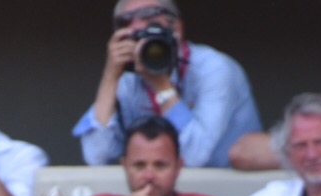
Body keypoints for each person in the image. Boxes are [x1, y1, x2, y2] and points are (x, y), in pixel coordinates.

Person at [75, 1, 260, 168]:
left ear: (176, 28)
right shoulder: (128, 80)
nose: (137, 26)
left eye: (148, 18)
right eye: (125, 22)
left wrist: (162, 85)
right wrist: (110, 76)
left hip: (229, 188)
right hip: (159, 189)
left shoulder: (214, 69)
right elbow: (96, 157)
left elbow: (194, 156)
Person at [71, 115, 221, 196]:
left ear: (178, 167)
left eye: (160, 165)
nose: (149, 176)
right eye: (139, 165)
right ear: (125, 165)